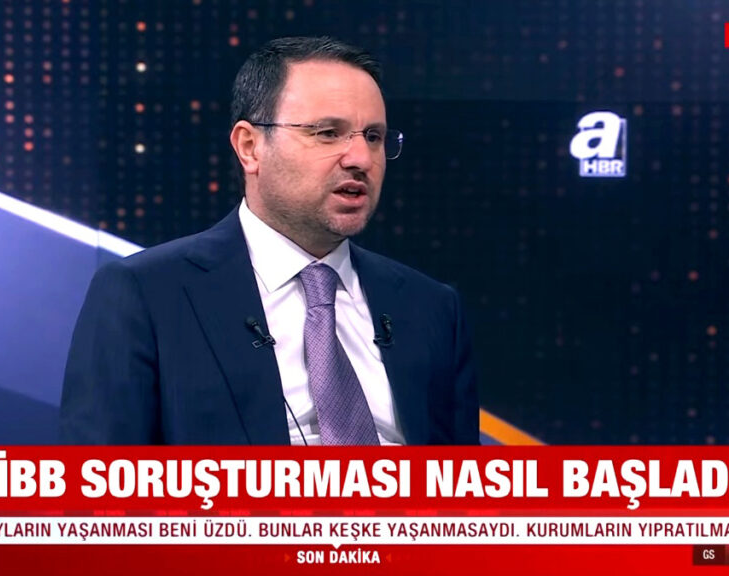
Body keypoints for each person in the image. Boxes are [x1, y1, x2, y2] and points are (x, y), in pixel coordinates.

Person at [60, 36, 478, 445]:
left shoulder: (431, 308)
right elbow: (99, 482)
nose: (361, 159)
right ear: (250, 147)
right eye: (327, 132)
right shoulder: (149, 294)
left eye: (373, 136)